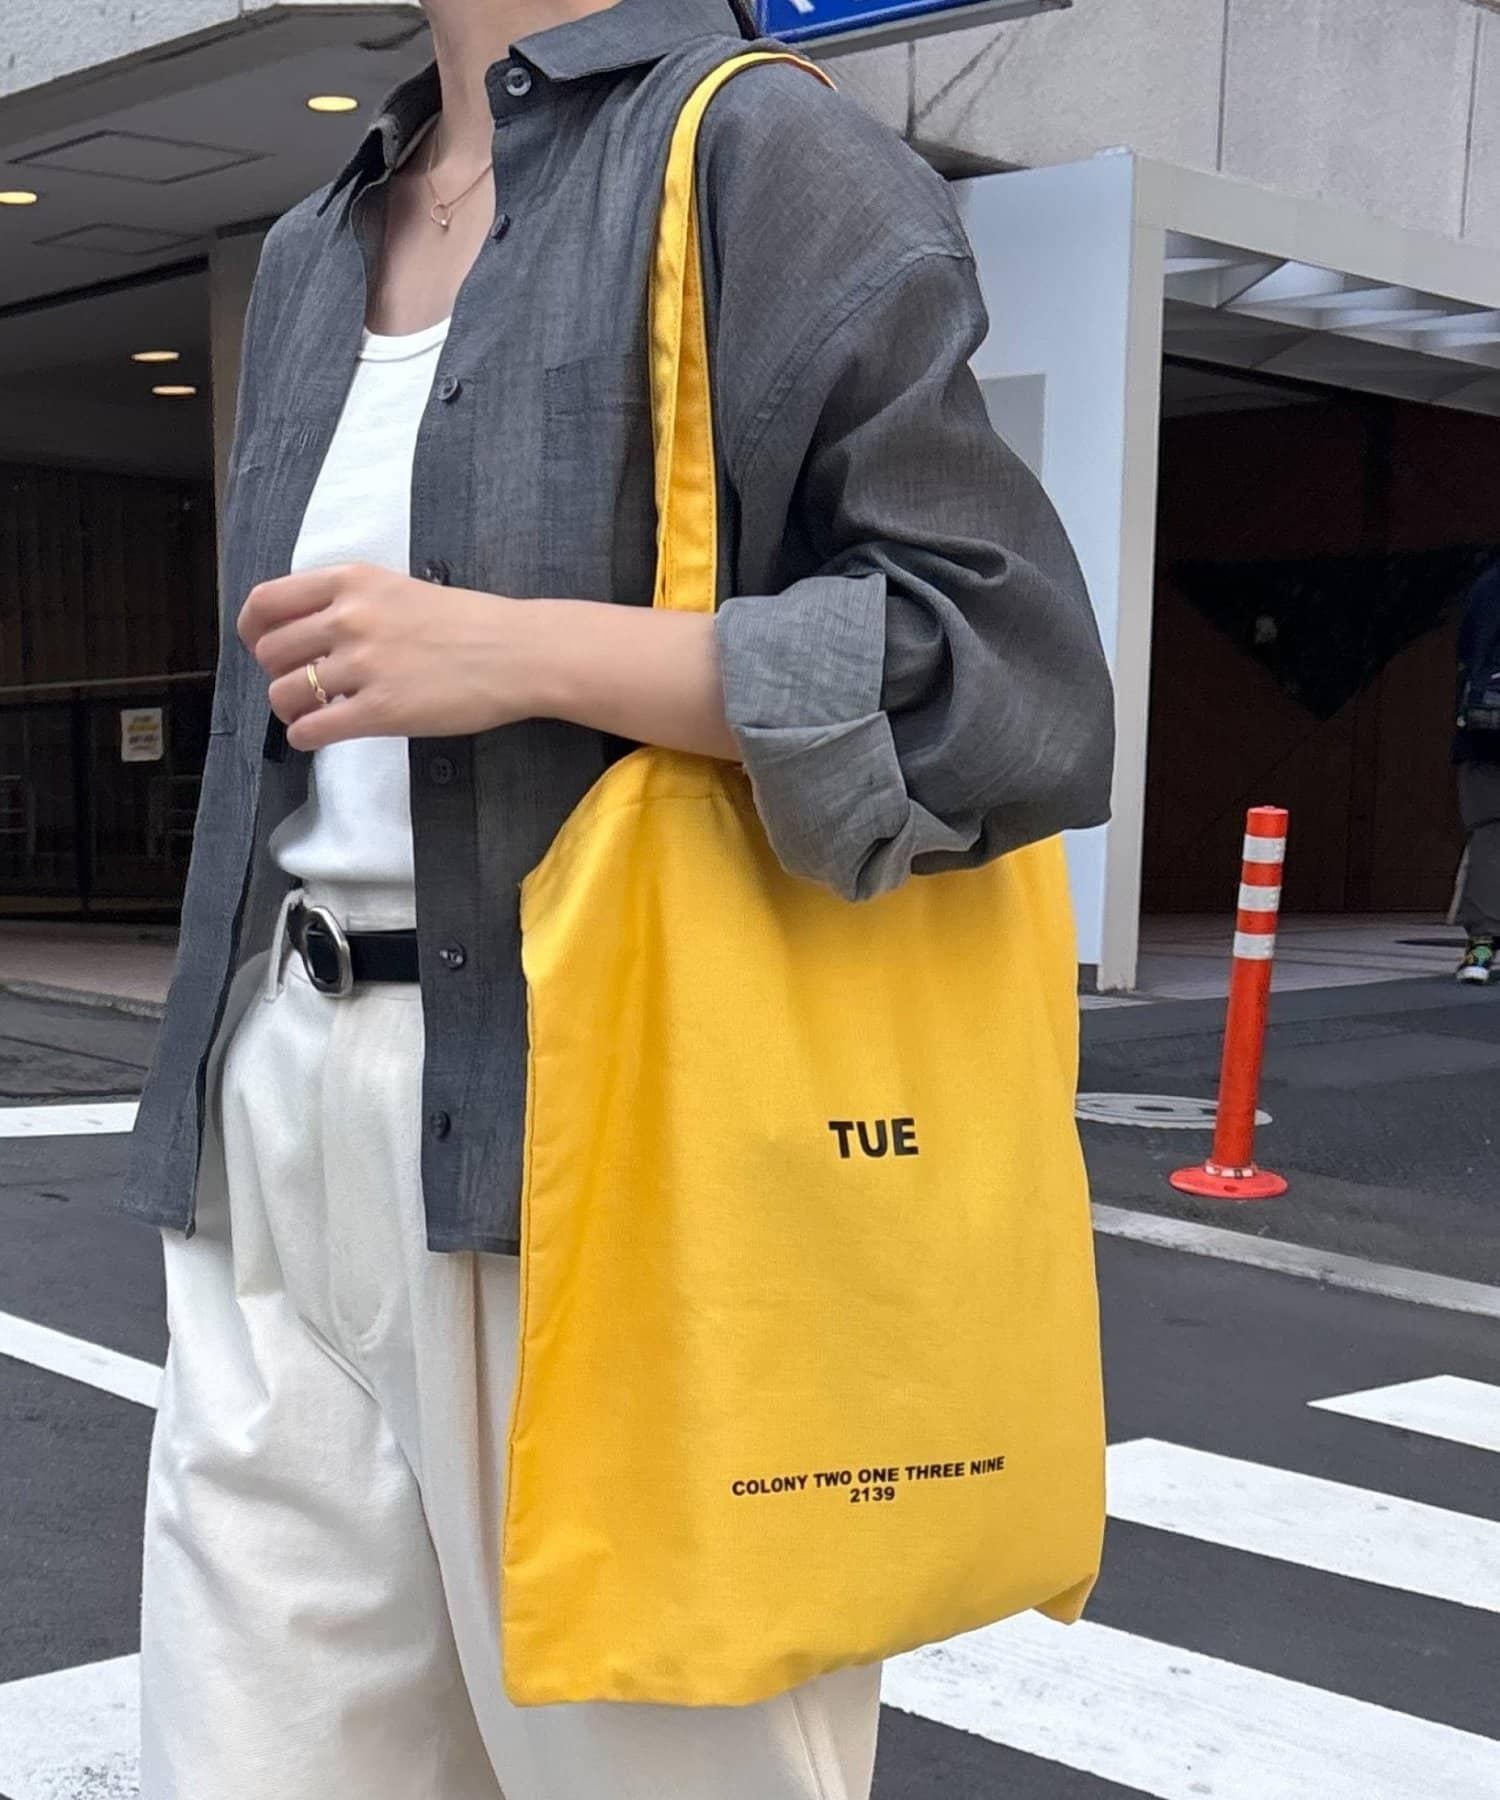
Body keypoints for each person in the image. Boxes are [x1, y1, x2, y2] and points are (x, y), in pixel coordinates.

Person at [122, 0, 1115, 1793]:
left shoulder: (755, 152)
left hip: (611, 1149)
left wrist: (531, 653)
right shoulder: (314, 245)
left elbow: (1012, 679)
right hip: (275, 1122)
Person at [1452, 559, 1500, 984]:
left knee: (1489, 834)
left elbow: (1468, 651)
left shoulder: (1486, 585)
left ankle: (1481, 946)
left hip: (1485, 733)